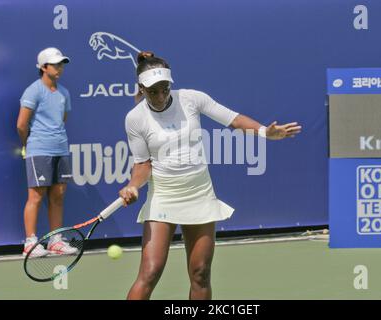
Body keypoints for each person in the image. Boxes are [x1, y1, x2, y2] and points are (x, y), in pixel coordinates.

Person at [119, 52, 302, 300]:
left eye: (165, 89)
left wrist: (264, 132)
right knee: (150, 272)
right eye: (153, 92)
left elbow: (234, 120)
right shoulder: (135, 118)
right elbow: (142, 164)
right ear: (141, 88)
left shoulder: (192, 99)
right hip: (164, 195)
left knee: (200, 273)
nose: (161, 96)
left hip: (199, 194)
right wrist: (133, 185)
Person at [17, 47, 77, 257]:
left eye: (61, 64)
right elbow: (22, 124)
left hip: (61, 147)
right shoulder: (33, 91)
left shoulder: (64, 93)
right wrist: (29, 145)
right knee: (36, 196)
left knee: (58, 195)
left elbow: (62, 121)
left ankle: (55, 240)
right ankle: (30, 243)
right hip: (39, 149)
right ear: (43, 67)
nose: (60, 68)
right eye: (55, 64)